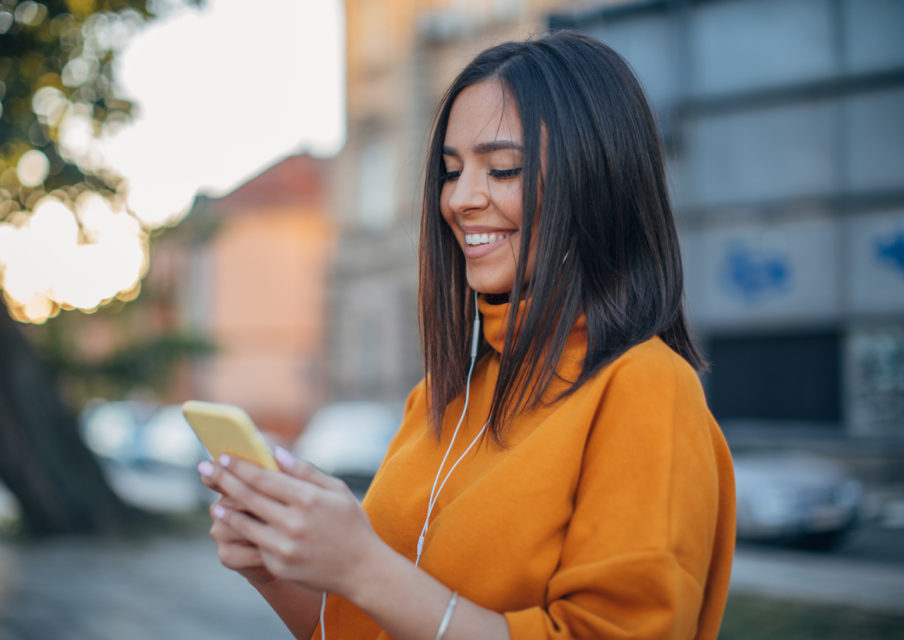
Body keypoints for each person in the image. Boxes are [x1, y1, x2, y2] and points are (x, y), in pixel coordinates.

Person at [198, 31, 735, 640]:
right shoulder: (437, 398)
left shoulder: (644, 388)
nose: (460, 199)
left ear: (598, 180)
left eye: (502, 168)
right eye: (451, 172)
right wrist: (277, 567)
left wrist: (365, 567)